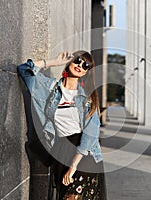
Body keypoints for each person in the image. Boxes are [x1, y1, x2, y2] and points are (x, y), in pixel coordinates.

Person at [17, 50, 106, 200]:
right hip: (61, 150)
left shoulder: (87, 98)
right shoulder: (50, 88)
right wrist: (53, 62)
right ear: (70, 61)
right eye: (77, 60)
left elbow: (91, 134)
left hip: (84, 154)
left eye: (86, 65)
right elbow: (24, 70)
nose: (80, 65)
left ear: (86, 73)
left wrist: (73, 166)